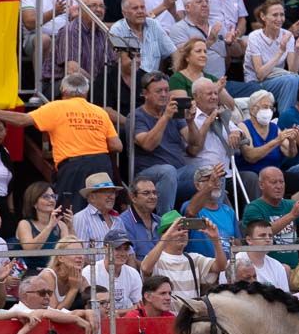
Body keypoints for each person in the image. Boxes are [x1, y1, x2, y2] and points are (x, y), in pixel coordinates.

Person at [0, 73, 122, 211]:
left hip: (74, 167)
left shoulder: (56, 107)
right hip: (102, 164)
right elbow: (117, 146)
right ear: (86, 92)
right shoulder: (100, 112)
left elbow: (22, 120)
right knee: (102, 210)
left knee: (69, 212)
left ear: (63, 90)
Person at [134, 72, 204, 214]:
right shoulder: (137, 116)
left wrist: (190, 121)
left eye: (166, 90)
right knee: (168, 171)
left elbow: (195, 142)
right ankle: (165, 223)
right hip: (149, 177)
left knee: (209, 173)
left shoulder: (175, 114)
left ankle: (210, 222)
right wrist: (165, 117)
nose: (164, 94)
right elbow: (148, 144)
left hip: (177, 174)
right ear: (145, 94)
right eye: (159, 91)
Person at [140, 212, 225, 307]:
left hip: (189, 319)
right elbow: (145, 268)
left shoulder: (194, 258)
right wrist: (165, 238)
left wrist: (216, 240)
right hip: (165, 319)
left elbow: (221, 266)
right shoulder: (156, 259)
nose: (183, 233)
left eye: (185, 229)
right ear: (165, 234)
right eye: (178, 230)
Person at [243, 0, 299, 113]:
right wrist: (280, 51)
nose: (280, 19)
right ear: (263, 16)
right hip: (256, 83)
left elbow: (293, 71)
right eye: (275, 15)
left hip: (279, 78)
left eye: (282, 15)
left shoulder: (287, 35)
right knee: (290, 81)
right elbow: (260, 75)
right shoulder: (254, 37)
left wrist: (296, 49)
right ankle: (284, 122)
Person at [239, 167, 299, 268]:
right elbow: (263, 233)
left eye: (281, 182)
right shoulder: (253, 208)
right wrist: (291, 215)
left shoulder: (290, 204)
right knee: (285, 269)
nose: (279, 186)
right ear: (261, 185)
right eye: (273, 182)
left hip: (294, 267)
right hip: (266, 268)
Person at [44, 0, 117, 97]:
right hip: (59, 86)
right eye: (93, 5)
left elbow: (111, 64)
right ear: (81, 9)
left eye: (101, 6)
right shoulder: (71, 31)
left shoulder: (103, 32)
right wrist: (97, 86)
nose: (99, 10)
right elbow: (72, 69)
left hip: (89, 86)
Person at [235, 89, 297, 200]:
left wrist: (292, 141)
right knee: (256, 179)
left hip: (274, 174)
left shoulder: (274, 127)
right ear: (253, 109)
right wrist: (276, 141)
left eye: (270, 107)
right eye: (265, 107)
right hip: (254, 173)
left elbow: (290, 153)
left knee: (297, 180)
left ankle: (294, 214)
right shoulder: (243, 126)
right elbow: (251, 156)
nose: (268, 110)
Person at [181, 164, 239, 258]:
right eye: (209, 179)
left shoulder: (229, 211)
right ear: (197, 185)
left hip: (226, 268)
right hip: (201, 269)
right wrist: (210, 185)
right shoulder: (190, 206)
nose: (216, 182)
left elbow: (237, 242)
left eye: (218, 179)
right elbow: (190, 212)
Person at [110, 0, 178, 74]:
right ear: (125, 13)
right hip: (131, 80)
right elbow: (124, 64)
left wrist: (178, 73)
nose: (140, 11)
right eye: (135, 8)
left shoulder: (154, 24)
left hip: (154, 81)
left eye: (142, 7)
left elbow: (174, 52)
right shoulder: (117, 30)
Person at [16, 181, 74, 271]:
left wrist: (70, 226)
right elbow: (29, 249)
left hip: (55, 272)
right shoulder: (24, 224)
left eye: (53, 196)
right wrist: (50, 226)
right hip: (32, 274)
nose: (51, 200)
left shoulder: (61, 225)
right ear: (34, 203)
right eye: (46, 197)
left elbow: (70, 251)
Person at [81, 228, 144, 309]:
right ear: (105, 248)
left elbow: (139, 305)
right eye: (117, 248)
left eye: (126, 249)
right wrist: (126, 311)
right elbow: (90, 308)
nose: (123, 253)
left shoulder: (133, 273)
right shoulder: (89, 271)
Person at [72, 172, 120, 246]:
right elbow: (80, 253)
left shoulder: (117, 219)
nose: (112, 197)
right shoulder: (81, 218)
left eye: (113, 192)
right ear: (92, 198)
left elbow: (128, 250)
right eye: (106, 192)